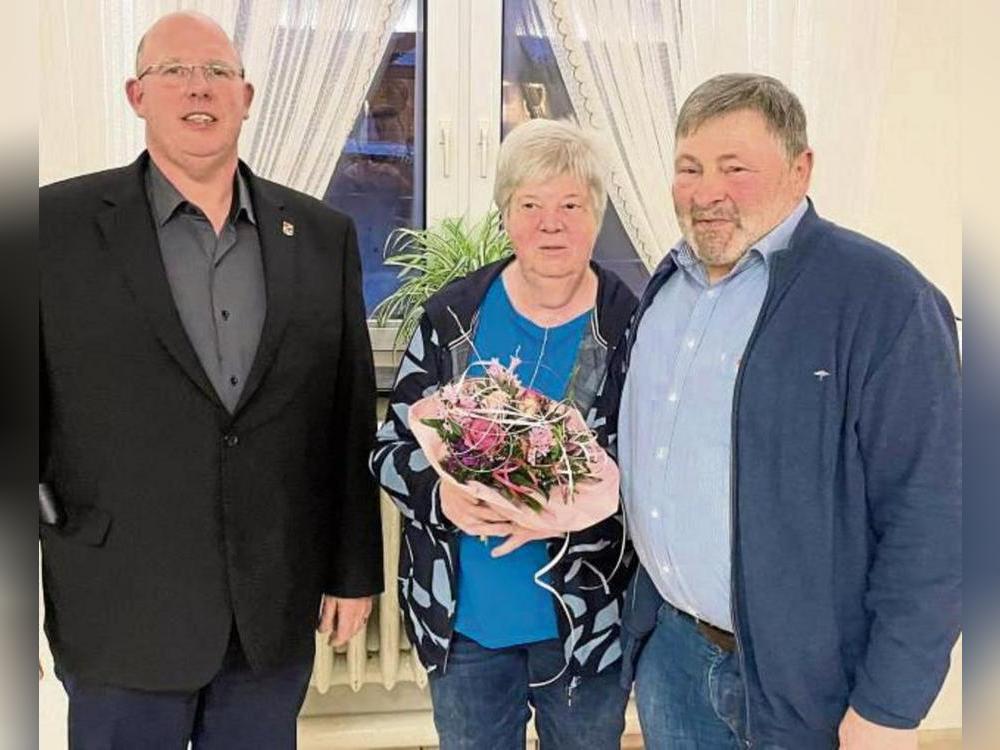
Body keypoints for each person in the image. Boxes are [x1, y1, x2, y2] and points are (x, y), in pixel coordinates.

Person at [39, 11, 381, 748]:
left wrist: (354, 570)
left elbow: (347, 413)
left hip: (269, 608)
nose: (200, 88)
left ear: (248, 97)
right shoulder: (53, 226)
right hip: (117, 602)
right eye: (175, 72)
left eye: (218, 72)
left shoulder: (322, 236)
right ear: (136, 94)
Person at [600, 73, 961, 749]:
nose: (707, 191)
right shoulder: (668, 286)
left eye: (735, 168)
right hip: (675, 657)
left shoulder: (884, 300)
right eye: (689, 167)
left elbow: (936, 520)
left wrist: (890, 707)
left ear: (801, 170)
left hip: (810, 683)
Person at [370, 118, 638, 749]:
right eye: (531, 204)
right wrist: (444, 498)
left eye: (572, 204)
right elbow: (391, 449)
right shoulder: (453, 317)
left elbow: (657, 470)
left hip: (585, 624)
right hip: (467, 626)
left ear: (596, 215)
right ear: (506, 215)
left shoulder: (632, 325)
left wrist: (577, 514)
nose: (552, 223)